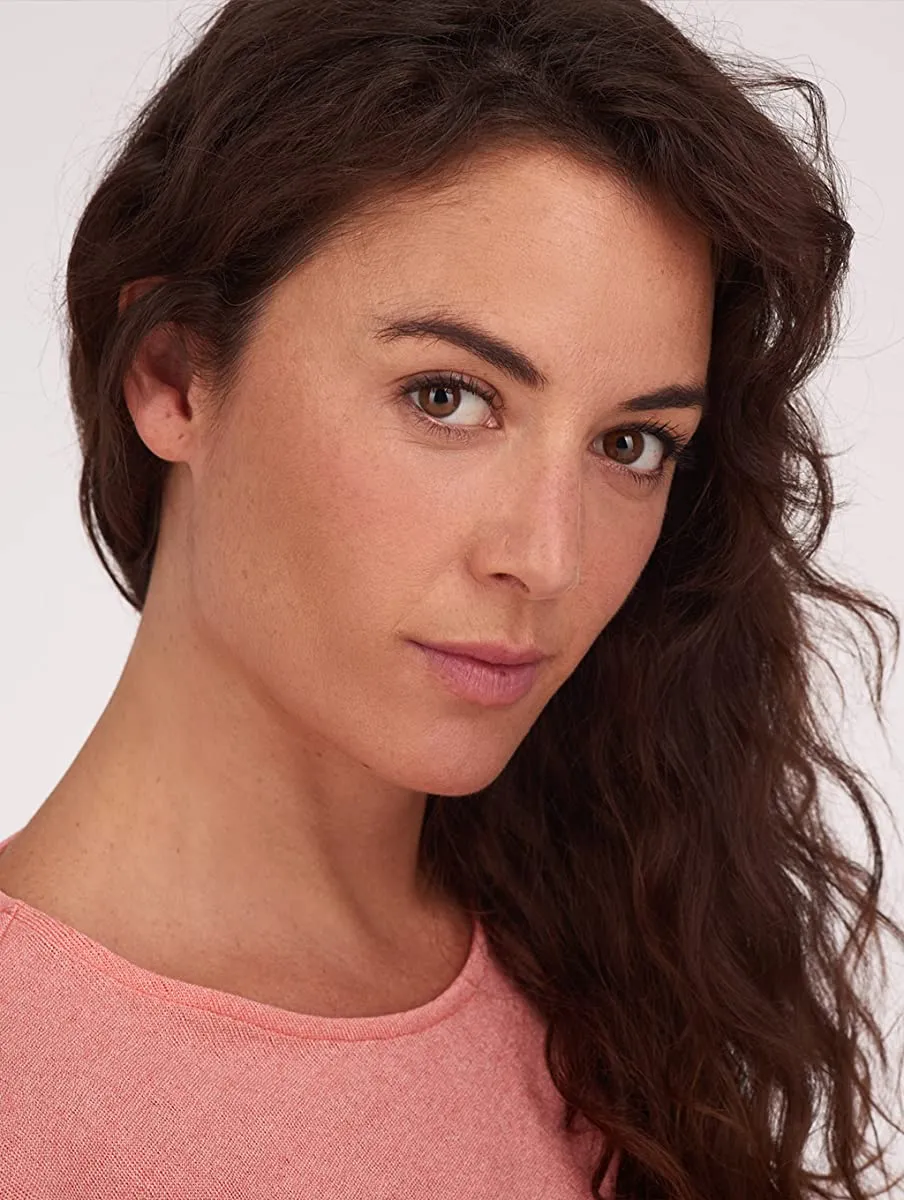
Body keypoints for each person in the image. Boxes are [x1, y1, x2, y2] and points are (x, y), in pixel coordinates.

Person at [1, 1, 901, 1198]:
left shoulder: (627, 983)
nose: (549, 557)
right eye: (447, 397)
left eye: (630, 443)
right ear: (173, 375)